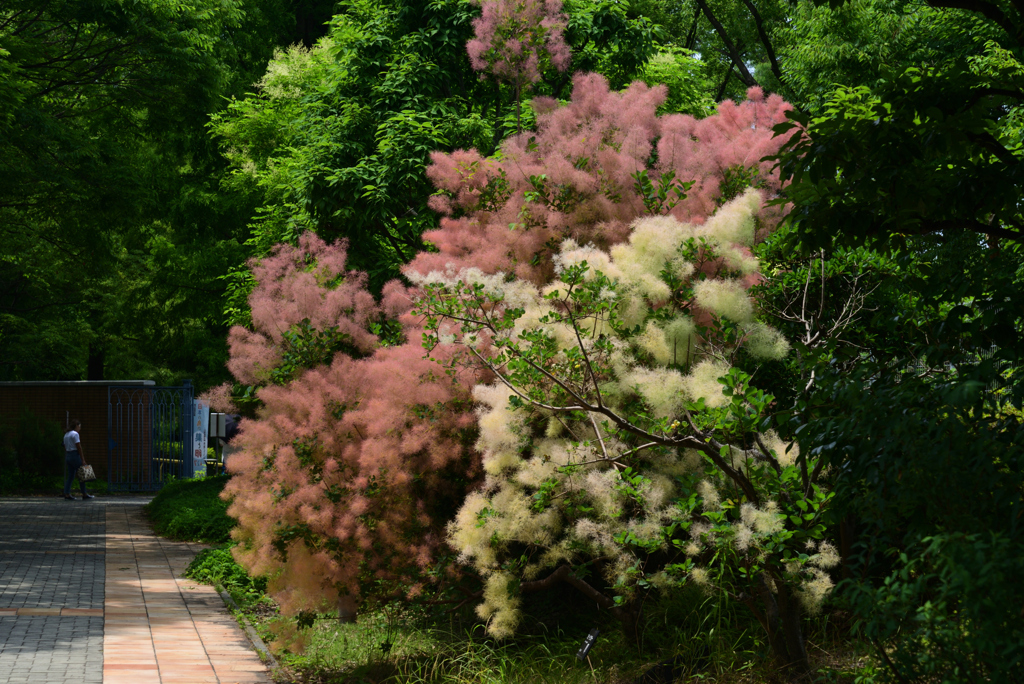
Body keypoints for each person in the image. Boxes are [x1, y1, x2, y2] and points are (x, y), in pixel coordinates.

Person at [63, 419, 94, 500]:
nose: (80, 428)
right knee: (82, 475)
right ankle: (84, 494)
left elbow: (65, 446)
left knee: (71, 476)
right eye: (79, 426)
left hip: (68, 455)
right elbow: (79, 447)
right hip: (75, 455)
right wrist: (83, 459)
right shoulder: (75, 434)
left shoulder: (66, 434)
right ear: (76, 425)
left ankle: (66, 493)